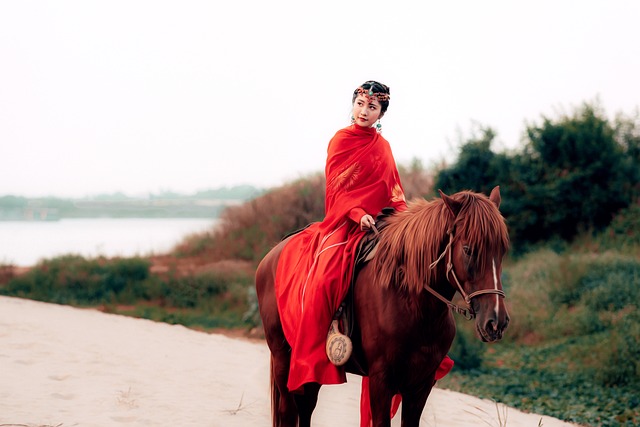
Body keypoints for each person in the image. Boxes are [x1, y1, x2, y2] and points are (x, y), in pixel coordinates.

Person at [274, 80, 452, 423]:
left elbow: (394, 190)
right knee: (326, 275)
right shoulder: (341, 140)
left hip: (382, 222)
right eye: (360, 103)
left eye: (372, 107)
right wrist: (357, 213)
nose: (364, 111)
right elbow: (336, 190)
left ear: (381, 114)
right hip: (346, 223)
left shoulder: (382, 147)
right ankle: (322, 343)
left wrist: (401, 221)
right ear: (352, 104)